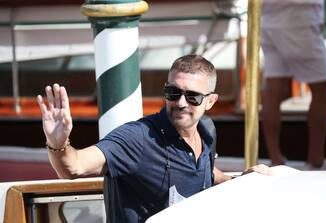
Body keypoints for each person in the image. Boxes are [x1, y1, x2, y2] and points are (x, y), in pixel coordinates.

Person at [37, 55, 271, 223]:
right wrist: (58, 143)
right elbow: (73, 167)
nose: (180, 102)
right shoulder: (136, 138)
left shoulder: (206, 130)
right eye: (173, 92)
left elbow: (205, 172)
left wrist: (241, 180)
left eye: (193, 97)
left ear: (210, 101)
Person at [261, 0, 326, 168]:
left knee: (274, 89)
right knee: (325, 91)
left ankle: (276, 159)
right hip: (299, 18)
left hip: (268, 19)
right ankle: (316, 160)